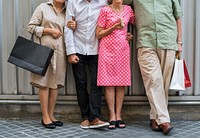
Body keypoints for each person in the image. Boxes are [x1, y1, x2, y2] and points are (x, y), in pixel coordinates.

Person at [132, 0, 182, 135]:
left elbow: (178, 17)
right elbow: (113, 2)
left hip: (168, 41)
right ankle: (164, 121)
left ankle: (154, 118)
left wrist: (179, 42)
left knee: (163, 85)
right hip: (146, 42)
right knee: (153, 81)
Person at [28, 0, 75, 129]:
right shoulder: (43, 7)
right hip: (43, 50)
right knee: (43, 83)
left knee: (55, 84)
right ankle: (45, 117)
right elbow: (31, 27)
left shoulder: (68, 11)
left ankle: (51, 115)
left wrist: (74, 26)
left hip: (60, 51)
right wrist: (48, 30)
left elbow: (71, 30)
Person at [64, 0, 110, 129]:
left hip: (97, 49)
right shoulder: (73, 2)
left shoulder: (104, 2)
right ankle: (84, 116)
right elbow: (68, 28)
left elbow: (113, 18)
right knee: (81, 83)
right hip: (77, 48)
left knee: (96, 83)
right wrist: (71, 52)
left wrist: (124, 35)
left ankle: (95, 117)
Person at [95, 0, 134, 129]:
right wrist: (113, 27)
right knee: (109, 84)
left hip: (122, 50)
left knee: (121, 83)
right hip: (107, 50)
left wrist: (130, 35)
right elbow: (98, 33)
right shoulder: (105, 10)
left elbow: (138, 22)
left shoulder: (128, 10)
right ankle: (112, 115)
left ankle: (119, 115)